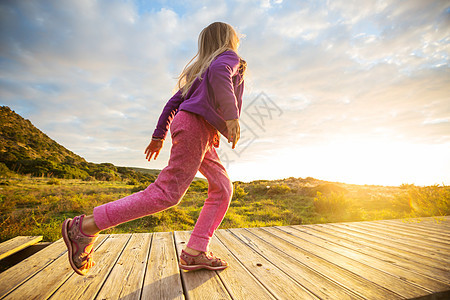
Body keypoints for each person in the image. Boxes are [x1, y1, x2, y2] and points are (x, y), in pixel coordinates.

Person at [61, 21, 246, 276]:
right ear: (229, 39)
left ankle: (195, 252)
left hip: (197, 128)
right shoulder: (227, 58)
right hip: (196, 127)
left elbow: (173, 103)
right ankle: (84, 228)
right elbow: (220, 73)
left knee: (223, 187)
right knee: (166, 193)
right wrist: (232, 116)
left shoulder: (199, 72)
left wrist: (159, 136)